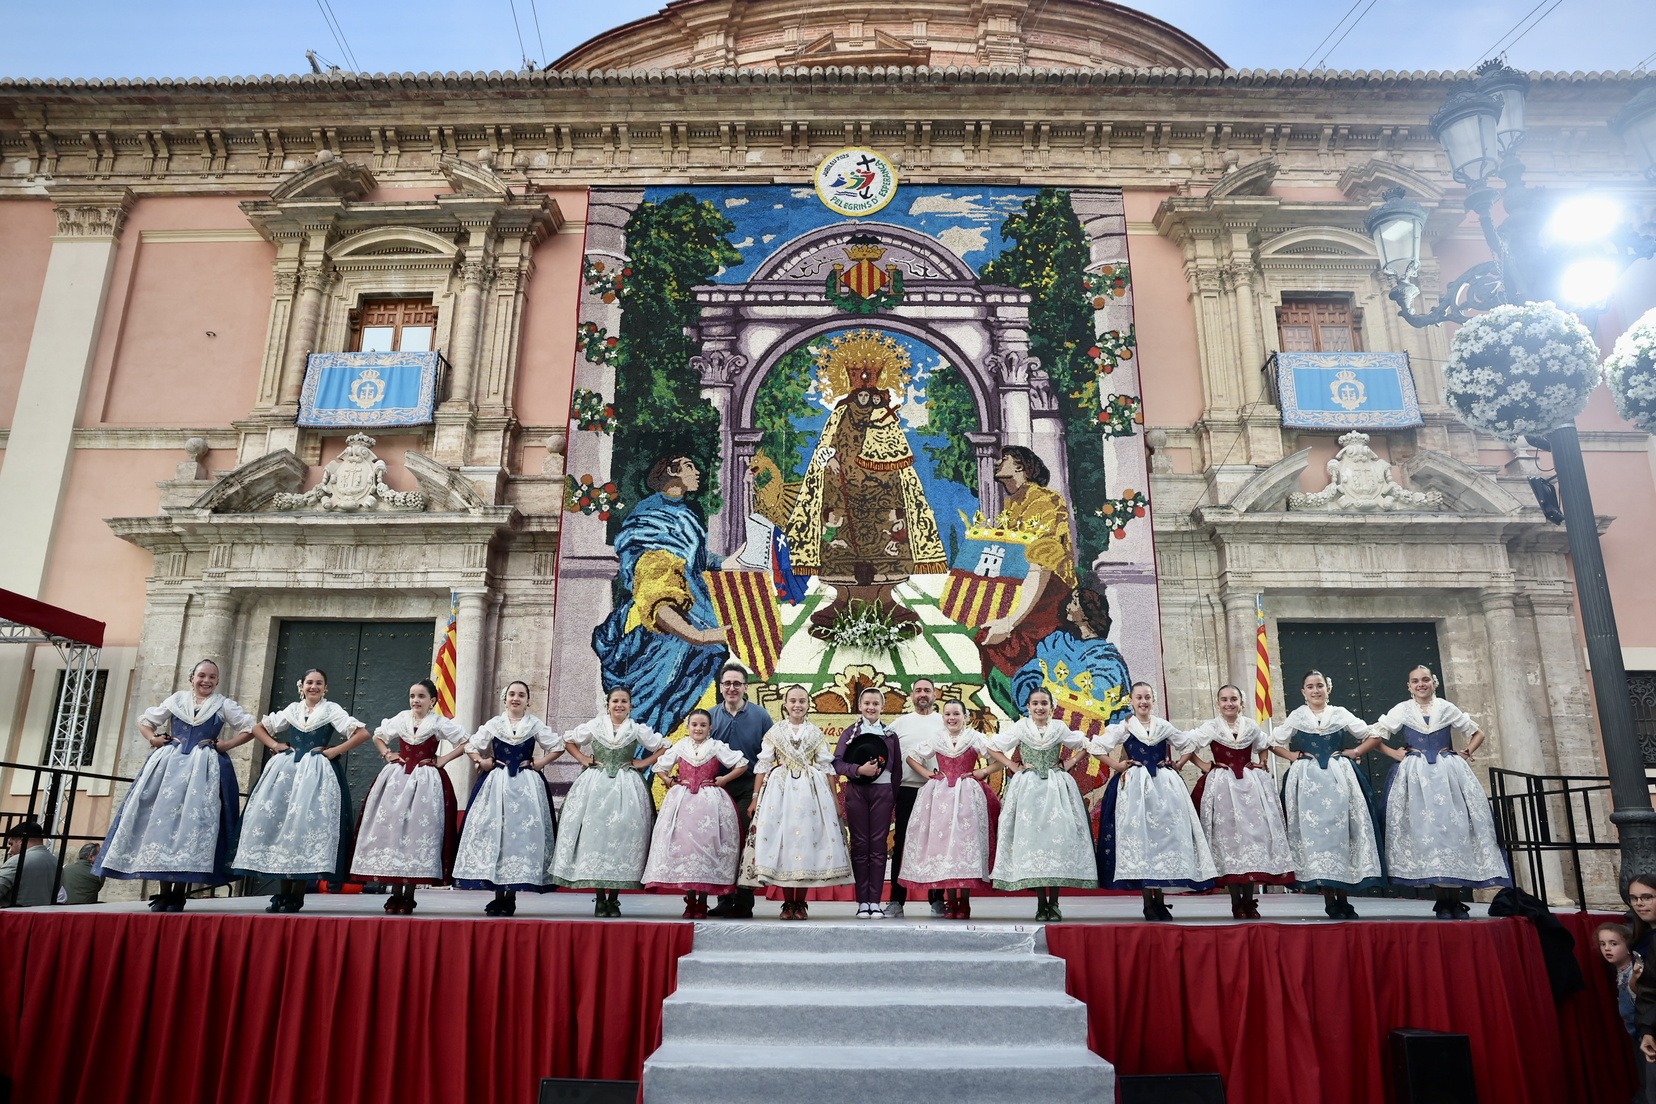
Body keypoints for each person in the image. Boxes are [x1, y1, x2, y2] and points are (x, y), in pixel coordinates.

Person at [782, 329, 946, 631]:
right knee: (839, 541)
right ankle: (843, 600)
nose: (865, 396)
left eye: (870, 390)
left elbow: (897, 452)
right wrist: (829, 459)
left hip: (883, 495)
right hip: (840, 491)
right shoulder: (840, 413)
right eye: (860, 389)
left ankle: (884, 599)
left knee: (888, 537)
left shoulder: (884, 415)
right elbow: (825, 446)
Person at [93, 658, 255, 911]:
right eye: (202, 675)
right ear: (192, 678)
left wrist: (226, 745)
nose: (206, 681)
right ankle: (164, 892)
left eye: (212, 677)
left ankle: (179, 892)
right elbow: (146, 721)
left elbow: (250, 727)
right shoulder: (177, 700)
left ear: (217, 681)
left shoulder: (222, 704)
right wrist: (153, 739)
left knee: (194, 826)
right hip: (169, 768)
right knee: (162, 824)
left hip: (203, 771)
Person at [591, 453, 732, 737]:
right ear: (671, 471)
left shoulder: (688, 514)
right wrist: (700, 636)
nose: (697, 471)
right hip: (663, 629)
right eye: (690, 466)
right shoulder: (649, 519)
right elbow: (656, 590)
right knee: (656, 710)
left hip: (696, 616)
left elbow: (696, 559)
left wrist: (733, 562)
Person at [1369, 665, 1512, 917]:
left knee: (1453, 832)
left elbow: (1478, 733)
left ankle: (1454, 900)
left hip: (1448, 776)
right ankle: (1442, 901)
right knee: (1427, 834)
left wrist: (1466, 753)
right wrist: (1394, 753)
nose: (1421, 684)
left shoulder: (1446, 708)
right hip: (1415, 777)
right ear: (1409, 686)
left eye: (1425, 680)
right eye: (1415, 681)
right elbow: (1374, 735)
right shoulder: (1403, 709)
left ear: (1434, 683)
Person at [232, 668, 370, 913]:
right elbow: (258, 728)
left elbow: (362, 733)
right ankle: (283, 892)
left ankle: (297, 893)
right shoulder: (292, 710)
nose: (313, 687)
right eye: (309, 682)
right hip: (288, 774)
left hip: (317, 776)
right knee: (282, 828)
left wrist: (334, 751)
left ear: (325, 688)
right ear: (302, 686)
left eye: (319, 683)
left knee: (305, 828)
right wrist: (275, 744)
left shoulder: (331, 710)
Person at [1094, 682, 1217, 922]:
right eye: (1139, 697)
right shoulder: (1126, 727)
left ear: (1153, 700)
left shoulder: (1163, 726)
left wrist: (1178, 764)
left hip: (1163, 787)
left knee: (1163, 840)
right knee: (1140, 839)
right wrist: (1117, 765)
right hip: (1134, 789)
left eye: (1147, 697)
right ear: (1131, 701)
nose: (1143, 701)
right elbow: (1097, 746)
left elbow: (1188, 743)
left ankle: (1160, 900)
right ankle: (1147, 903)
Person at [1269, 670, 1383, 919]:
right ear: (1303, 692)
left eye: (1319, 685)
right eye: (1310, 686)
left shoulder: (1340, 714)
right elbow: (1273, 742)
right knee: (1317, 838)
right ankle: (1329, 899)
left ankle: (1343, 899)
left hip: (1339, 779)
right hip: (1308, 783)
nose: (1315, 690)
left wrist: (1355, 752)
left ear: (1328, 689)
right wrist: (1292, 756)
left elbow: (1374, 734)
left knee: (1341, 835)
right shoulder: (1297, 716)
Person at [350, 678, 468, 914]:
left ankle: (409, 895)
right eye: (412, 696)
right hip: (398, 780)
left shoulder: (438, 722)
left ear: (432, 700)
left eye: (421, 696)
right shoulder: (402, 718)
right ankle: (394, 894)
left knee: (416, 834)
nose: (416, 700)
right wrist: (387, 753)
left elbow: (465, 741)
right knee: (393, 832)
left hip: (426, 782)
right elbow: (378, 736)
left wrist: (443, 759)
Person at [977, 446, 1078, 718]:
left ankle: (1030, 714)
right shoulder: (1013, 503)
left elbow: (1040, 566)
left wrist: (1010, 622)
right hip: (1022, 590)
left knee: (1008, 647)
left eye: (1005, 459)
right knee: (987, 637)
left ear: (1020, 466)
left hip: (1048, 595)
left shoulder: (1043, 500)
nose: (997, 462)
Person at [553, 686, 668, 917]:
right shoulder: (596, 726)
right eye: (615, 701)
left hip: (627, 788)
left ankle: (614, 899)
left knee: (622, 838)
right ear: (608, 705)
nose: (619, 705)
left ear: (630, 706)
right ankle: (600, 898)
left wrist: (643, 763)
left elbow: (664, 745)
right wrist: (583, 758)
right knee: (596, 838)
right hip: (596, 786)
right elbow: (568, 740)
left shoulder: (636, 729)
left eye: (624, 701)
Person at [741, 684, 853, 920]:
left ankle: (800, 903)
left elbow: (826, 766)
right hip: (779, 792)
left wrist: (835, 800)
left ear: (808, 704)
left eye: (802, 701)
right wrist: (755, 798)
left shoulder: (815, 732)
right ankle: (787, 903)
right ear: (785, 704)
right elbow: (763, 765)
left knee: (804, 842)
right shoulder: (775, 732)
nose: (797, 705)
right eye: (793, 701)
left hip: (810, 792)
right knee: (783, 842)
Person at [987, 687, 1098, 921]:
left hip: (1055, 789)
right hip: (1028, 790)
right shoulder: (1021, 727)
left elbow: (1084, 744)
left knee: (1055, 842)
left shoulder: (1058, 727)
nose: (1039, 707)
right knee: (1033, 843)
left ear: (1051, 706)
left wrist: (1069, 763)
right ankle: (1040, 903)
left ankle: (1054, 902)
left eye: (1044, 703)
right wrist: (1013, 765)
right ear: (1028, 707)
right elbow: (993, 746)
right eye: (1035, 703)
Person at [452, 681, 562, 917]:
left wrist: (540, 763)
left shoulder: (534, 724)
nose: (516, 698)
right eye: (512, 694)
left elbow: (558, 745)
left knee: (519, 837)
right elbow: (471, 745)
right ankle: (497, 895)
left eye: (521, 695)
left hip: (526, 786)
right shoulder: (495, 724)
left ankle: (510, 896)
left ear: (527, 700)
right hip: (497, 784)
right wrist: (481, 761)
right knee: (496, 835)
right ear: (505, 699)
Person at [1187, 684, 1295, 918]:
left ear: (1241, 702)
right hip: (1222, 789)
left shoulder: (1250, 725)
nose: (1229, 703)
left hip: (1249, 789)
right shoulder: (1211, 727)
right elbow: (1187, 744)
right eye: (1224, 699)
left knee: (1251, 840)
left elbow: (1264, 744)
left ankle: (1249, 900)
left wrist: (1262, 762)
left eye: (1233, 699)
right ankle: (1236, 901)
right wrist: (1205, 765)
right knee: (1228, 842)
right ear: (1218, 703)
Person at [642, 708, 748, 918]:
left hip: (710, 803)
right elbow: (660, 767)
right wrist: (668, 780)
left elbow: (741, 764)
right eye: (694, 725)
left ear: (710, 728)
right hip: (683, 802)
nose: (698, 728)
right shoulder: (681, 746)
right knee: (686, 849)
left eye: (703, 725)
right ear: (688, 727)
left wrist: (724, 779)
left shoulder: (716, 746)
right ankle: (690, 900)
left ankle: (703, 901)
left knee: (706, 848)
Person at [898, 699, 998, 918]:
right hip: (941, 797)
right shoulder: (937, 738)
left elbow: (998, 759)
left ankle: (965, 902)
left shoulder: (974, 737)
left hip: (967, 796)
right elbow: (911, 757)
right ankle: (951, 901)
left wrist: (982, 772)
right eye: (948, 714)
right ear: (943, 717)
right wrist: (927, 774)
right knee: (945, 847)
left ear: (966, 717)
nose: (952, 718)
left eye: (956, 714)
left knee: (964, 845)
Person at [1010, 586, 1132, 727]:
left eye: (1074, 602)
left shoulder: (1109, 658)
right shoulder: (1056, 641)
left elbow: (1118, 711)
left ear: (1086, 612)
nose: (1068, 606)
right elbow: (1029, 674)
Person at [707, 663, 772, 919]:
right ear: (721, 687)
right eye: (727, 683)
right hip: (718, 787)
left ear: (745, 687)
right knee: (721, 842)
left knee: (746, 842)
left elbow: (770, 754)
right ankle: (724, 900)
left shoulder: (761, 716)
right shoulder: (710, 716)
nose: (732, 688)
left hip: (749, 787)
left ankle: (744, 903)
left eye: (737, 683)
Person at [835, 685, 903, 918]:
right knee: (860, 844)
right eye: (867, 703)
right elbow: (837, 763)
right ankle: (862, 901)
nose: (871, 707)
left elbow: (897, 769)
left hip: (883, 792)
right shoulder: (850, 733)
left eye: (875, 704)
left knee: (878, 845)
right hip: (857, 792)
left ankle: (875, 901)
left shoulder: (890, 734)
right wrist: (858, 770)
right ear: (860, 706)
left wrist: (892, 796)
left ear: (882, 707)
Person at [888, 677, 946, 918]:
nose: (923, 694)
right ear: (911, 695)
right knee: (902, 843)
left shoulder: (945, 721)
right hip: (907, 790)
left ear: (934, 695)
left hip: (939, 791)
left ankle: (938, 900)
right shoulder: (899, 724)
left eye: (927, 690)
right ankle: (896, 900)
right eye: (918, 690)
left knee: (937, 844)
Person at [1626, 875, 1656, 1103]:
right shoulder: (1641, 937)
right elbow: (1644, 989)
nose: (1639, 903)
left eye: (1647, 897)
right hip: (1647, 1021)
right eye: (1634, 898)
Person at [0, 822, 58, 907]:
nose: (9, 851)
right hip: (46, 913)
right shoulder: (55, 862)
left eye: (11, 844)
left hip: (16, 913)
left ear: (21, 841)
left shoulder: (17, 861)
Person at [1598, 922, 1641, 1039]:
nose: (1606, 948)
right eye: (1602, 944)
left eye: (1614, 944)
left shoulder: (1634, 972)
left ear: (1629, 946)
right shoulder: (1621, 971)